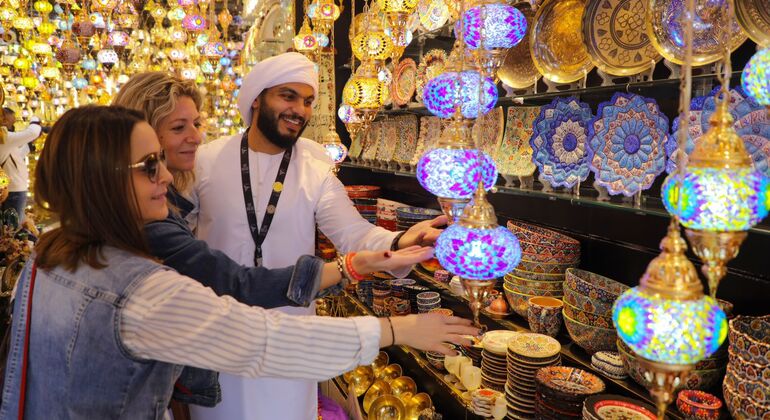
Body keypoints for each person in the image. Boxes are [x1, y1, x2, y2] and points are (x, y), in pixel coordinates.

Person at [0, 105, 478, 419]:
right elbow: (262, 339)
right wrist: (395, 332)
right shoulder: (142, 289)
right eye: (149, 165)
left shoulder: (50, 253)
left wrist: (375, 254)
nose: (167, 173)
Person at [112, 72, 449, 407]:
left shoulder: (315, 169)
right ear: (258, 97)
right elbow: (179, 242)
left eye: (307, 101)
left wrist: (401, 240)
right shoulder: (205, 160)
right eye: (288, 97)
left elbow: (354, 233)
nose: (298, 110)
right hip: (217, 331)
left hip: (292, 330)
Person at [0, 109, 42, 220]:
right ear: (4, 120)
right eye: (12, 122)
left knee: (11, 227)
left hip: (14, 188)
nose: (13, 125)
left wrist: (29, 145)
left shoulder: (6, 140)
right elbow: (33, 132)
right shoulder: (3, 137)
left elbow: (15, 156)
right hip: (13, 190)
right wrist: (35, 119)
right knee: (13, 229)